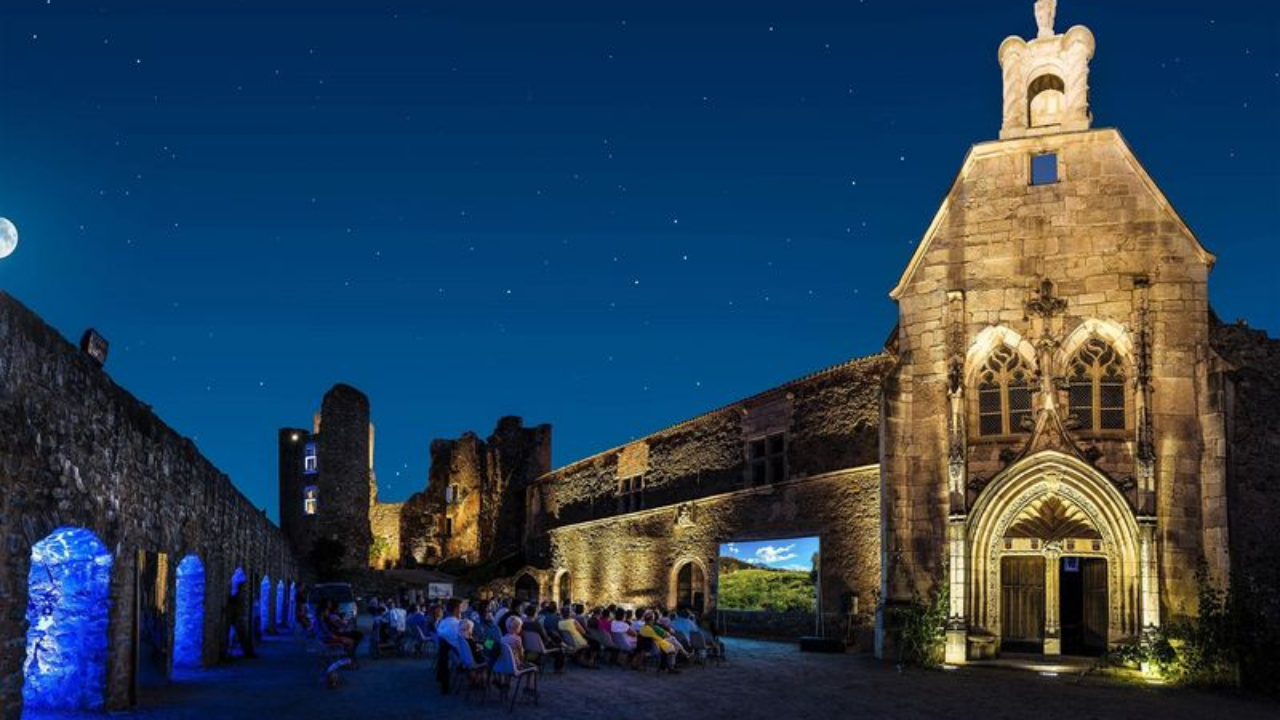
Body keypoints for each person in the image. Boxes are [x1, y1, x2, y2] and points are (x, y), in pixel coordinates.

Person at [494, 615, 538, 695]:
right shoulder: (517, 639)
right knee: (533, 668)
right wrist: (523, 660)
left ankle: (506, 684)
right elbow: (521, 654)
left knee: (508, 661)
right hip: (515, 667)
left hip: (504, 666)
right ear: (518, 628)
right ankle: (528, 687)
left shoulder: (502, 638)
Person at [435, 598, 463, 695]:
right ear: (456, 609)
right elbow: (469, 641)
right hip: (466, 656)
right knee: (493, 646)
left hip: (451, 653)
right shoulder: (459, 624)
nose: (461, 610)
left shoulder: (443, 622)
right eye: (460, 608)